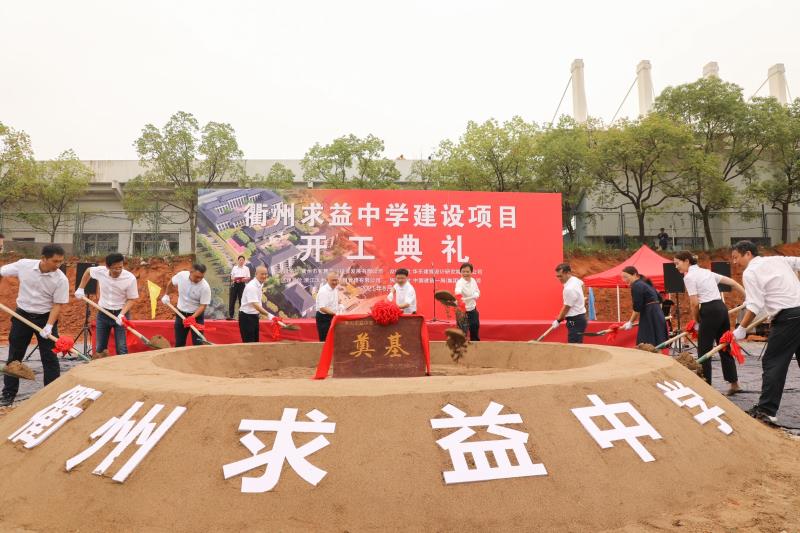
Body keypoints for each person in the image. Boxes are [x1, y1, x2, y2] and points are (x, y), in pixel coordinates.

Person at [731, 240, 800, 424]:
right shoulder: (777, 260)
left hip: (787, 318)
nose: (735, 262)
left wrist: (741, 329)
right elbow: (798, 262)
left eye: (736, 257)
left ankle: (766, 410)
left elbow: (754, 305)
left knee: (773, 362)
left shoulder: (750, 272)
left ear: (748, 254)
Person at [0, 244, 69, 406]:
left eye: (61, 261)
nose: (58, 264)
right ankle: (8, 394)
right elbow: (2, 271)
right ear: (43, 258)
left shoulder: (61, 279)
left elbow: (57, 305)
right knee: (14, 357)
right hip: (22, 316)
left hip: (45, 318)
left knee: (50, 357)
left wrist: (49, 326)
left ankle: (51, 395)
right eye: (55, 261)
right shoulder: (24, 265)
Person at [673, 251, 745, 393]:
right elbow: (733, 282)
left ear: (686, 261)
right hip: (721, 308)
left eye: (677, 263)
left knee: (704, 349)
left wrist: (696, 320)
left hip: (709, 310)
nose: (676, 267)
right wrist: (748, 296)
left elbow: (694, 303)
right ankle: (734, 384)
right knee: (724, 346)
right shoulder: (706, 272)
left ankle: (706, 387)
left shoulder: (689, 277)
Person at [75, 253, 139, 355]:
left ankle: (123, 365)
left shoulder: (129, 278)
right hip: (103, 313)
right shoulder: (101, 271)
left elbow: (132, 299)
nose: (118, 270)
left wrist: (122, 315)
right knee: (100, 347)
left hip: (121, 313)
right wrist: (80, 288)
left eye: (120, 267)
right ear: (108, 267)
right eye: (115, 268)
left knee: (121, 347)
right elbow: (88, 271)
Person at [162, 263, 211, 347]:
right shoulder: (182, 276)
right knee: (179, 343)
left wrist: (192, 317)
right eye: (197, 277)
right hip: (180, 314)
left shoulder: (205, 287)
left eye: (201, 277)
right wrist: (166, 294)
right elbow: (171, 282)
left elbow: (203, 305)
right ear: (191, 272)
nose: (199, 279)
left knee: (198, 344)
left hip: (196, 317)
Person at [620, 266, 668, 347]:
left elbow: (637, 308)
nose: (624, 280)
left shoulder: (636, 285)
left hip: (649, 315)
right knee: (657, 344)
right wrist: (656, 312)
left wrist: (630, 322)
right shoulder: (646, 283)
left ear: (634, 274)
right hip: (658, 313)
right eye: (623, 278)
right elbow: (660, 299)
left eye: (626, 277)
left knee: (646, 344)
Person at [551, 263, 587, 343]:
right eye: (557, 276)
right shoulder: (575, 280)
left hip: (575, 320)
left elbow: (566, 307)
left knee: (574, 345)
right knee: (577, 343)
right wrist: (580, 298)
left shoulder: (569, 289)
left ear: (568, 273)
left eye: (561, 276)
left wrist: (558, 320)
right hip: (580, 318)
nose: (559, 279)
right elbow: (582, 284)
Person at [238, 266, 274, 343]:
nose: (264, 276)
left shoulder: (260, 284)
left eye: (266, 274)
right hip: (246, 318)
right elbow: (255, 305)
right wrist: (268, 315)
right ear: (256, 274)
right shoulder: (252, 286)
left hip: (254, 317)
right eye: (262, 274)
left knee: (255, 343)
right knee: (249, 344)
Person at [455, 262, 480, 341]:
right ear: (460, 272)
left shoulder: (473, 280)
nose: (465, 273)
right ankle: (461, 346)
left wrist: (476, 294)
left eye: (467, 271)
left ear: (471, 272)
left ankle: (475, 344)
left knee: (475, 326)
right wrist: (459, 296)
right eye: (463, 271)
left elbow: (477, 291)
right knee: (462, 331)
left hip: (472, 309)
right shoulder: (460, 283)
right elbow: (458, 291)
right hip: (462, 311)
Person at [315, 271, 341, 342]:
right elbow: (322, 308)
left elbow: (333, 301)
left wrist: (338, 302)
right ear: (327, 280)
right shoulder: (324, 291)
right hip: (324, 318)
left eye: (336, 280)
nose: (335, 282)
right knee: (326, 340)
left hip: (332, 316)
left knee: (334, 339)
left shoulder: (334, 288)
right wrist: (336, 314)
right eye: (333, 280)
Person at [228, 255, 250, 320]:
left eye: (242, 260)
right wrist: (234, 279)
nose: (241, 261)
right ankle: (231, 316)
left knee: (242, 301)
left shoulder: (246, 268)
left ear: (244, 261)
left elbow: (248, 277)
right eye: (240, 260)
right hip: (235, 285)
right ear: (238, 261)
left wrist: (244, 279)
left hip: (242, 285)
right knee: (232, 300)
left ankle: (241, 316)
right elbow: (231, 277)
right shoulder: (234, 268)